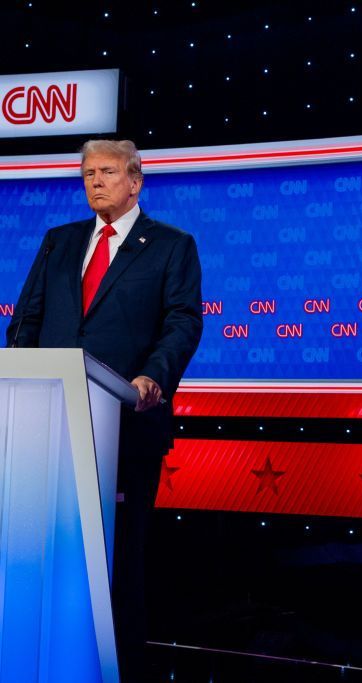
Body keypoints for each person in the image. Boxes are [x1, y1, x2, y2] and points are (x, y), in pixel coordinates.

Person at [7, 139, 203, 679]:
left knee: (118, 561)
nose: (96, 181)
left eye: (108, 172)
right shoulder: (59, 242)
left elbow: (183, 322)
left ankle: (119, 667)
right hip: (46, 428)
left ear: (135, 180)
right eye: (88, 172)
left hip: (127, 425)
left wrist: (152, 378)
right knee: (41, 553)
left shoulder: (170, 245)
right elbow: (26, 321)